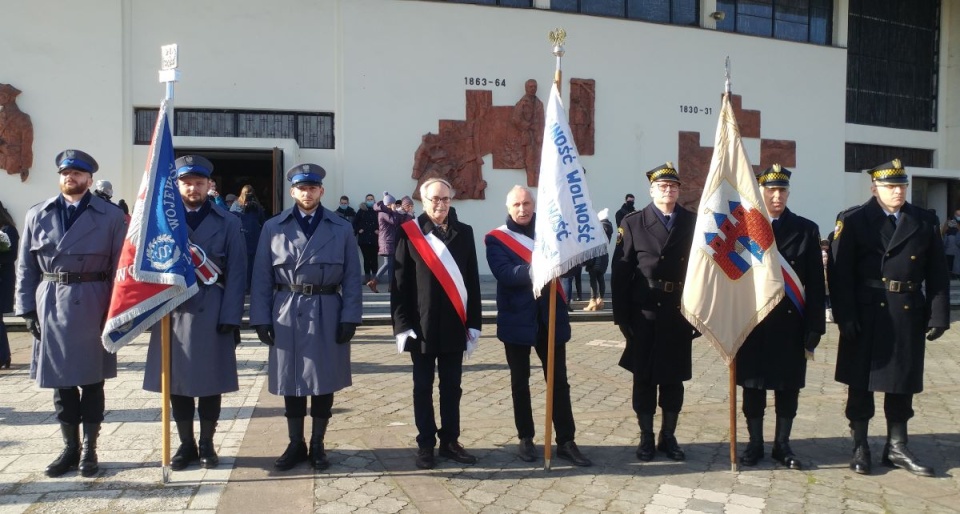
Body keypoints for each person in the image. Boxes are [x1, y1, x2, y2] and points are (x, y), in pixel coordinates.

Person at [830, 159, 949, 477]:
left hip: (907, 310)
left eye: (902, 186)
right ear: (874, 188)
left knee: (902, 384)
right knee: (860, 384)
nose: (898, 191)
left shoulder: (923, 220)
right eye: (890, 186)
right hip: (867, 311)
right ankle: (860, 446)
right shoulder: (853, 219)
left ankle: (897, 446)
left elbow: (937, 271)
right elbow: (840, 273)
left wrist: (939, 314)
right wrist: (845, 316)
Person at [15, 149, 126, 477]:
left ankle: (90, 451)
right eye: (65, 173)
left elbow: (121, 266)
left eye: (77, 174)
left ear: (90, 180)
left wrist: (117, 311)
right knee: (61, 384)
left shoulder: (110, 216)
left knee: (92, 381)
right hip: (51, 300)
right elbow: (25, 266)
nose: (70, 178)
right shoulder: (38, 214)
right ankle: (69, 449)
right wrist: (26, 309)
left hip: (94, 299)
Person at [250, 163, 361, 471]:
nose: (307, 193)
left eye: (313, 188)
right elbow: (261, 276)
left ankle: (318, 444)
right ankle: (295, 443)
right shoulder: (274, 227)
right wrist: (261, 318)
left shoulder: (341, 226)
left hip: (327, 308)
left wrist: (350, 316)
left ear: (321, 191)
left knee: (324, 380)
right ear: (293, 192)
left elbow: (353, 275)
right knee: (292, 379)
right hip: (287, 308)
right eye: (302, 188)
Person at [142, 155, 247, 471]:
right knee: (177, 384)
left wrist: (231, 315)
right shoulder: (161, 221)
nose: (193, 188)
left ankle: (207, 444)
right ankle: (185, 445)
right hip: (171, 312)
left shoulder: (229, 221)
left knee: (210, 382)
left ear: (209, 186)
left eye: (199, 183)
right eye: (186, 182)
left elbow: (238, 272)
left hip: (211, 308)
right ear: (177, 185)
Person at [484, 185, 591, 466]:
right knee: (520, 383)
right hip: (517, 320)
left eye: (527, 203)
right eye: (517, 204)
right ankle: (526, 438)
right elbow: (506, 273)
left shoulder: (551, 235)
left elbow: (572, 265)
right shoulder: (496, 239)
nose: (523, 209)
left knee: (559, 383)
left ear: (534, 205)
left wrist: (565, 256)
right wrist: (542, 266)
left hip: (550, 317)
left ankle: (566, 441)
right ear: (509, 208)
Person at [736, 165, 825, 469]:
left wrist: (815, 325)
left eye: (782, 190)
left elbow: (815, 281)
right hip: (754, 324)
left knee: (788, 388)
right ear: (759, 191)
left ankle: (782, 445)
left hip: (791, 323)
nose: (777, 196)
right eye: (771, 190)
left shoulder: (806, 229)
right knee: (753, 386)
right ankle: (754, 444)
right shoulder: (744, 228)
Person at [392, 177, 481, 469]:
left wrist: (475, 323)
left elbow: (472, 282)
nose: (440, 204)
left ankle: (450, 441)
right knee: (422, 387)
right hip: (422, 327)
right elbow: (399, 285)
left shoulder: (465, 233)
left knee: (452, 387)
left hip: (455, 325)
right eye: (434, 199)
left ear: (451, 200)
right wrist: (402, 325)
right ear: (422, 200)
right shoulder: (409, 233)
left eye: (445, 199)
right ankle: (426, 444)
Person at [611, 162, 696, 462]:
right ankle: (646, 437)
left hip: (678, 311)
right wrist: (622, 317)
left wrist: (699, 316)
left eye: (673, 186)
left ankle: (668, 437)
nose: (668, 190)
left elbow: (702, 269)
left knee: (674, 380)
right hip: (644, 311)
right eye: (662, 186)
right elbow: (620, 271)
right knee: (644, 379)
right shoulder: (633, 222)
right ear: (651, 190)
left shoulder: (692, 221)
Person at [368, 191, 412, 293]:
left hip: (389, 240)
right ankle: (374, 281)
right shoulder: (383, 213)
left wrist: (403, 213)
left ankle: (390, 286)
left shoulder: (386, 212)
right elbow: (394, 221)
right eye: (393, 204)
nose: (394, 206)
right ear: (389, 204)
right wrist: (395, 211)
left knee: (391, 264)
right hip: (387, 241)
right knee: (388, 264)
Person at [231, 184, 266, 291]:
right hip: (251, 237)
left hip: (244, 237)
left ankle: (244, 286)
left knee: (242, 263)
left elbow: (231, 220)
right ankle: (248, 286)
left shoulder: (237, 204)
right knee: (251, 263)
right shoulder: (256, 206)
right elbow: (263, 221)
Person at [511, 79, 545, 186]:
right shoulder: (522, 103)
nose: (533, 88)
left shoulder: (539, 103)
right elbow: (516, 119)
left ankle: (539, 183)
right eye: (531, 87)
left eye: (535, 86)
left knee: (540, 160)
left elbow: (542, 120)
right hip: (528, 136)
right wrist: (530, 126)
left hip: (538, 137)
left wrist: (541, 133)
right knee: (530, 162)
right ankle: (532, 183)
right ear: (526, 88)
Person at [0, 83, 33, 182]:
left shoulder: (22, 118)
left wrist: (25, 166)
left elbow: (27, 144)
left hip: (13, 162)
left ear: (7, 97)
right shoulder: (1, 116)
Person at [0, 200, 18, 369]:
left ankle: (3, 356)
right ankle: (4, 356)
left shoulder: (8, 230)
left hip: (2, 281)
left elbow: (10, 256)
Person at [584, 208, 613, 311]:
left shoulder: (600, 228)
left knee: (593, 278)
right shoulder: (609, 228)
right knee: (601, 278)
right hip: (604, 256)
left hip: (597, 256)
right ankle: (600, 301)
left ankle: (592, 301)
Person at [354, 193, 379, 285]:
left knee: (374, 259)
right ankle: (367, 278)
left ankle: (375, 278)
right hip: (364, 239)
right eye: (368, 199)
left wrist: (379, 230)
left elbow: (382, 223)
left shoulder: (377, 211)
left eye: (371, 199)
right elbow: (355, 223)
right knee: (366, 259)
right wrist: (358, 230)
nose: (370, 201)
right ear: (365, 200)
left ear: (374, 200)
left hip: (374, 239)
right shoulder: (361, 211)